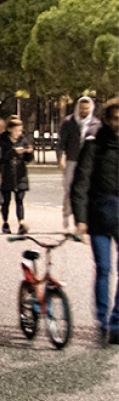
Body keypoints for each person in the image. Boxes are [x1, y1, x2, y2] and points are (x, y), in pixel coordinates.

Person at [71, 98, 119, 346]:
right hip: (99, 215)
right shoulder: (94, 145)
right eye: (114, 118)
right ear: (107, 119)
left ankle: (116, 323)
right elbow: (80, 183)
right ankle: (102, 323)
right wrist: (80, 219)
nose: (117, 124)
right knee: (104, 269)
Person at [60, 96, 102, 229]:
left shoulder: (96, 124)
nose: (84, 110)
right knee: (69, 190)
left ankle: (80, 222)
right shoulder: (68, 122)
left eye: (87, 108)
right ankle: (66, 218)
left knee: (85, 191)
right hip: (72, 160)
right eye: (82, 108)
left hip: (89, 162)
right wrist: (60, 158)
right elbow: (61, 143)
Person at [0, 118, 34, 235]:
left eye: (20, 130)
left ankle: (21, 223)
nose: (18, 133)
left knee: (20, 199)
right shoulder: (3, 140)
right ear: (9, 130)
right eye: (16, 130)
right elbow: (1, 156)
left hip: (20, 173)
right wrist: (14, 152)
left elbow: (28, 159)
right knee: (6, 200)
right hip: (7, 173)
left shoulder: (23, 140)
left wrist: (29, 153)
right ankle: (5, 222)